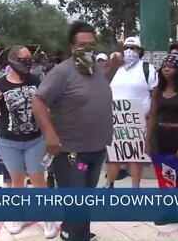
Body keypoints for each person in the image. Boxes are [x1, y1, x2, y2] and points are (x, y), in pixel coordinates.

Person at [32, 21, 122, 241]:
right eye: (82, 45)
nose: (87, 49)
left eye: (91, 44)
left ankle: (76, 231)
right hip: (72, 154)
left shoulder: (96, 70)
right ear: (72, 48)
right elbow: (38, 102)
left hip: (96, 149)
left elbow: (101, 86)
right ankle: (76, 233)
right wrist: (50, 135)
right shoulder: (61, 72)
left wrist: (115, 65)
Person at [0, 45, 58, 238]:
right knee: (17, 181)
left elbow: (45, 106)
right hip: (8, 142)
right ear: (13, 60)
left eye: (29, 58)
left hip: (35, 140)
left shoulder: (35, 80)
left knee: (38, 181)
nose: (28, 61)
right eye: (24, 58)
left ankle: (48, 219)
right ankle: (20, 216)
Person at [145, 54, 178, 240]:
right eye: (164, 66)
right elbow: (152, 117)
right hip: (160, 137)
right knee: (164, 179)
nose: (166, 69)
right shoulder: (157, 90)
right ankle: (169, 211)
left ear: (177, 70)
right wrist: (147, 141)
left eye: (171, 66)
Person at [104, 36, 158, 188]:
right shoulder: (117, 69)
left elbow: (155, 95)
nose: (128, 51)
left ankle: (135, 187)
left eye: (132, 48)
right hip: (116, 119)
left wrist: (150, 119)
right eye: (126, 48)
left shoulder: (147, 69)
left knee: (136, 156)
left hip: (138, 119)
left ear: (139, 51)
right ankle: (109, 184)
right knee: (115, 156)